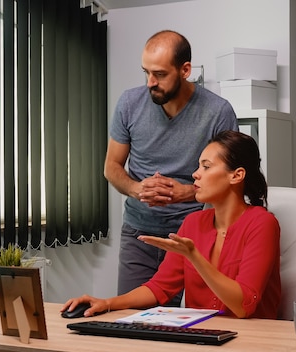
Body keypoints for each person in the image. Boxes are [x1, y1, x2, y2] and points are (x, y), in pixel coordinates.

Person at [63, 130, 281, 319]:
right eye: (198, 166)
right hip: (203, 338)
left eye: (206, 167)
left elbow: (244, 306)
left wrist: (194, 256)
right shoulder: (193, 223)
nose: (195, 174)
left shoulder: (262, 224)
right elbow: (160, 287)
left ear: (237, 175)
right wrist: (108, 303)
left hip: (252, 339)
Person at [104, 29, 239, 302]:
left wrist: (186, 192)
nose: (150, 82)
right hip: (137, 234)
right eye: (146, 72)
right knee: (129, 321)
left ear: (185, 69)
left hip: (191, 237)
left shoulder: (218, 112)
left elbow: (228, 179)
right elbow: (112, 166)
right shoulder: (129, 103)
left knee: (187, 324)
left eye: (160, 75)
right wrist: (137, 189)